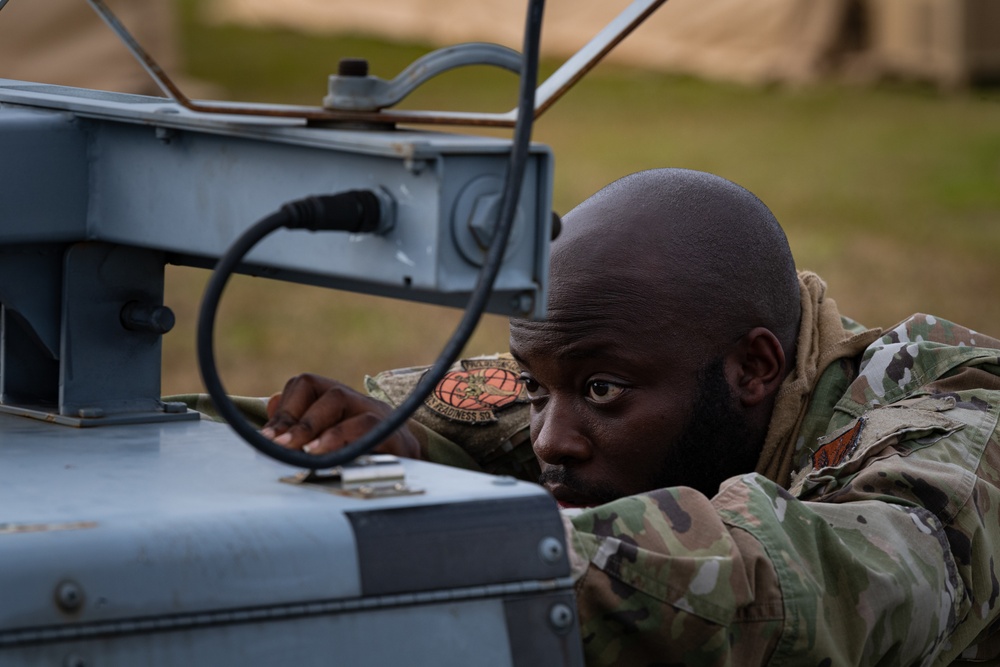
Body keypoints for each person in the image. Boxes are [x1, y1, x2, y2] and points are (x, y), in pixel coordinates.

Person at [262, 169, 1000, 665]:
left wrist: (476, 556)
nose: (552, 435)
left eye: (603, 391)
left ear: (755, 368)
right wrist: (389, 437)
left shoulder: (956, 429)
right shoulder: (611, 368)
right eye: (539, 383)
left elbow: (806, 589)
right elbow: (416, 411)